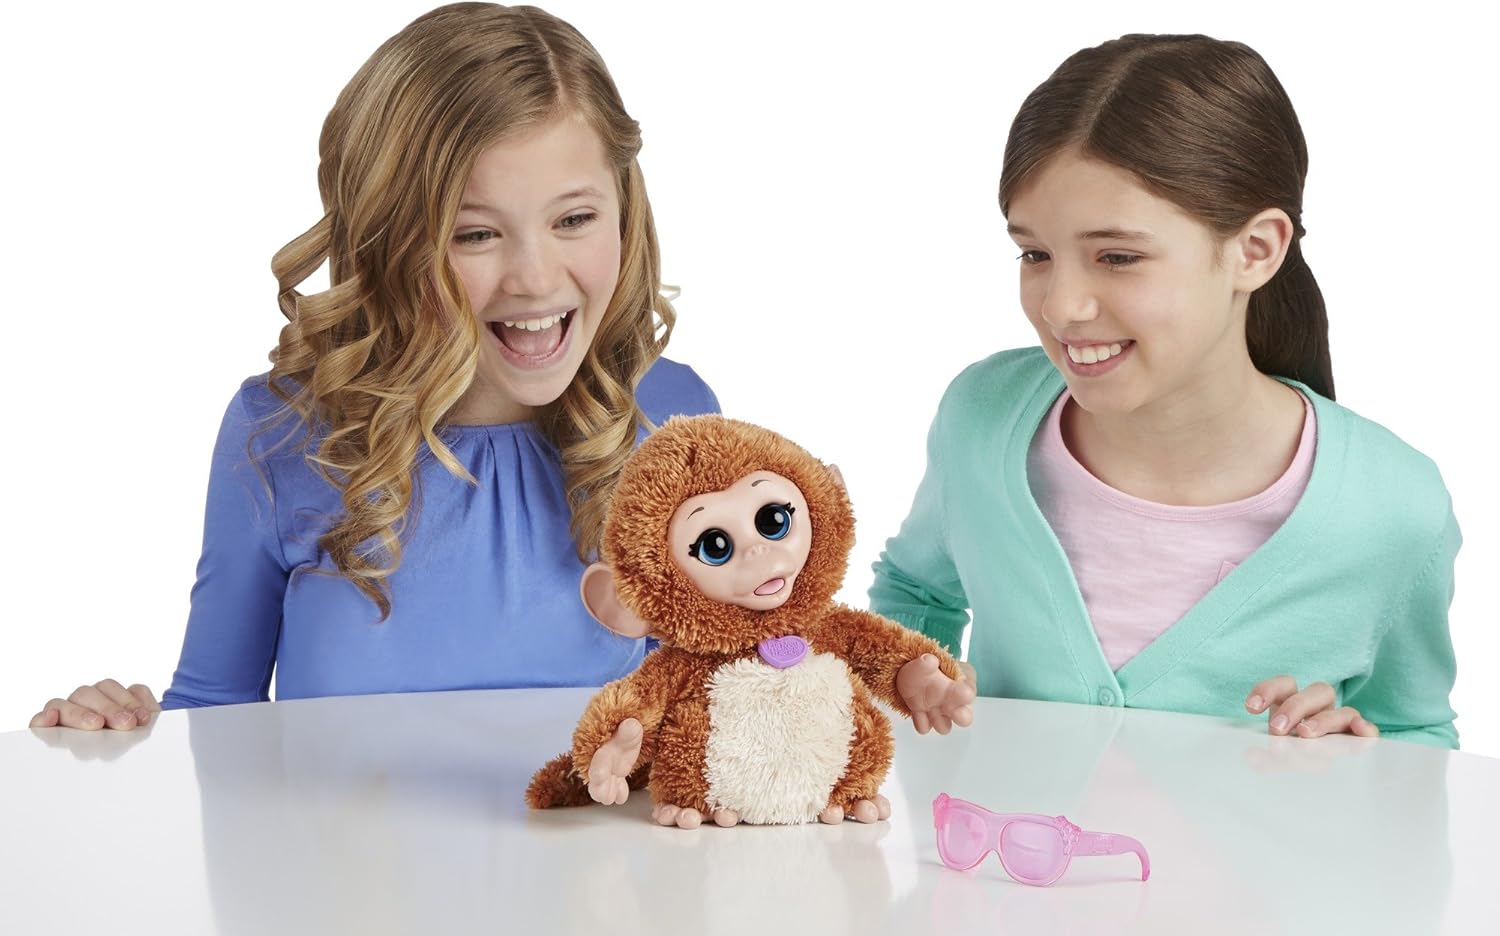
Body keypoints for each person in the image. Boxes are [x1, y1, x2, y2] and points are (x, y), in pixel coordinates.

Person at [31, 2, 718, 730]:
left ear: (625, 210)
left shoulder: (675, 423)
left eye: (574, 219)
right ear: (388, 240)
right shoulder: (282, 434)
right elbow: (211, 720)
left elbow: (716, 718)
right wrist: (113, 743)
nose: (536, 278)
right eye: (475, 234)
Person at [869, 34, 1460, 748]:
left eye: (1118, 257)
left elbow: (1418, 737)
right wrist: (911, 688)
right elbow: (915, 594)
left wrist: (1358, 759)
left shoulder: (1393, 508)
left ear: (1255, 251)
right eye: (1035, 253)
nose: (1060, 306)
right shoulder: (981, 418)